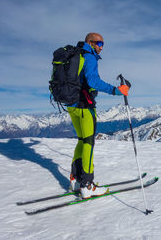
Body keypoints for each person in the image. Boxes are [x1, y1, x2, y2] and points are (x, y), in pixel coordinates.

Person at [68, 32, 129, 199]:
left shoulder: (76, 55)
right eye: (99, 43)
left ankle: (75, 180)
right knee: (88, 142)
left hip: (72, 105)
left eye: (103, 44)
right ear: (90, 42)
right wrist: (116, 90)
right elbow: (93, 81)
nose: (102, 47)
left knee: (82, 140)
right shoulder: (89, 57)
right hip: (84, 105)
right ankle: (87, 185)